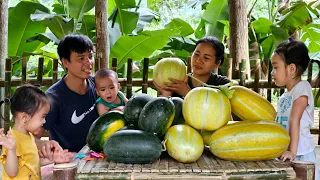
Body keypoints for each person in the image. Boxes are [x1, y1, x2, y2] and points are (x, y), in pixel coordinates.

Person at [35, 33, 99, 153]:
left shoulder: (99, 86)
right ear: (65, 62)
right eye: (81, 58)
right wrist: (51, 147)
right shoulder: (53, 99)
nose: (88, 62)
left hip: (100, 157)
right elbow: (32, 138)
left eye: (90, 56)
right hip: (69, 163)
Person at [0, 85, 73, 179]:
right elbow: (12, 172)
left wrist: (52, 160)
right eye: (42, 117)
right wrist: (11, 150)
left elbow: (32, 162)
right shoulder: (11, 140)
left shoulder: (28, 136)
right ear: (25, 118)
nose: (44, 121)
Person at [271, 38, 319, 179]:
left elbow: (294, 120)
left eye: (275, 67)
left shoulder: (302, 88)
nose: (272, 72)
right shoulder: (285, 96)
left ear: (291, 69)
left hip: (301, 153)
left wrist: (292, 151)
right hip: (288, 152)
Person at [154, 36, 230, 97]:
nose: (198, 61)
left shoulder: (223, 85)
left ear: (217, 64)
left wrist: (187, 93)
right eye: (196, 54)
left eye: (206, 58)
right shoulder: (178, 81)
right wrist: (166, 94)